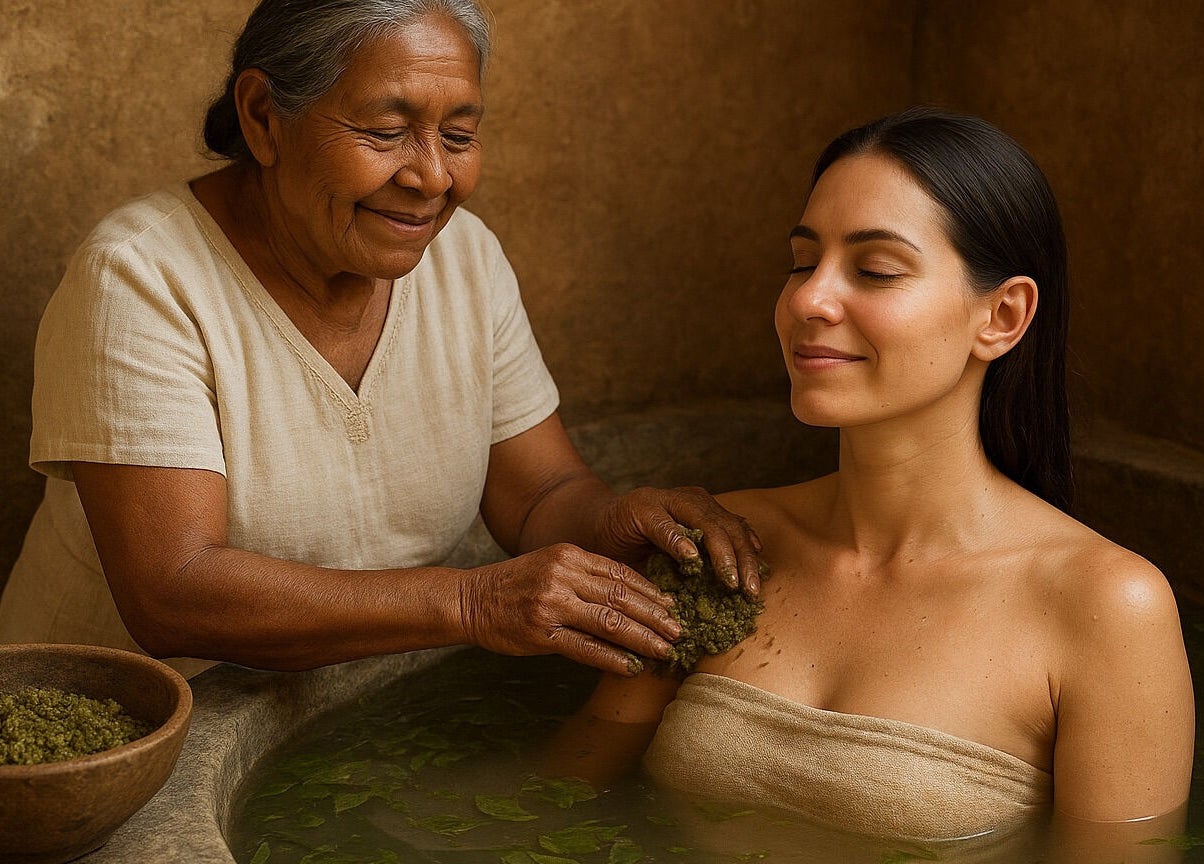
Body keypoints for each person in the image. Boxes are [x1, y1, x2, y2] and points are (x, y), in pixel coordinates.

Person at [0, 0, 763, 679]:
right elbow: (173, 592)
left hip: (328, 708)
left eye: (458, 135)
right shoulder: (141, 277)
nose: (432, 177)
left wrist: (613, 521)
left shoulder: (465, 259)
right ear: (264, 116)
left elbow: (538, 494)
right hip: (115, 745)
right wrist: (471, 602)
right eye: (387, 132)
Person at [546, 108, 1195, 858]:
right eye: (800, 261)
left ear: (1003, 316)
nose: (808, 301)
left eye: (875, 270)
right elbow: (557, 800)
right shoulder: (728, 546)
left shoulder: (1106, 607)